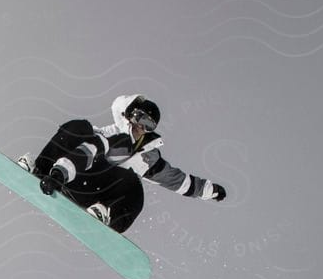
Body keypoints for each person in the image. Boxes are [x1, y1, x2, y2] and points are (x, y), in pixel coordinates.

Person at [21, 95, 226, 232]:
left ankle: (107, 216)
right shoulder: (110, 135)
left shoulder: (148, 159)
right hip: (63, 174)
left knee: (133, 184)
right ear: (128, 115)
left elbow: (177, 181)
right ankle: (39, 169)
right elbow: (87, 152)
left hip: (92, 192)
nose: (140, 127)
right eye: (139, 118)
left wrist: (210, 190)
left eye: (148, 125)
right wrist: (57, 174)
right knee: (78, 127)